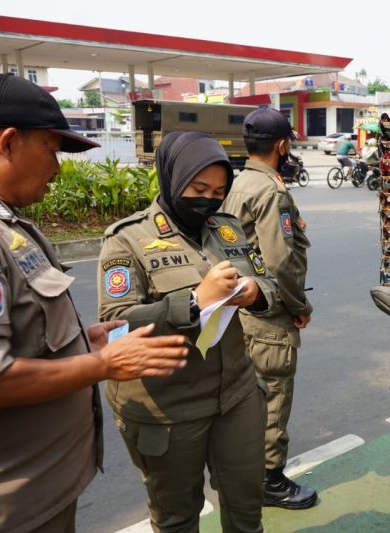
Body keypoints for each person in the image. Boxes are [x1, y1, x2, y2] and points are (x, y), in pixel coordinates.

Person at [0, 73, 189, 532]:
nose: (57, 168)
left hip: (33, 490)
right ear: (9, 142)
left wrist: (77, 344)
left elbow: (18, 334)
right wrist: (104, 365)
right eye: (52, 150)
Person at [98, 131, 276, 532]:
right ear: (173, 178)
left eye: (217, 190)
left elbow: (268, 281)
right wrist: (194, 300)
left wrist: (253, 292)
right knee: (178, 518)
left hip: (236, 394)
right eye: (198, 188)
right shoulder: (128, 239)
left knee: (247, 508)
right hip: (167, 407)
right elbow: (115, 323)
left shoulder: (227, 228)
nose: (208, 200)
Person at [222, 108, 317, 509]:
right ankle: (269, 481)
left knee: (245, 397)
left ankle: (244, 475)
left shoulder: (236, 182)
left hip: (240, 305)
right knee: (273, 395)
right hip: (269, 309)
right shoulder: (272, 192)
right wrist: (300, 305)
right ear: (282, 145)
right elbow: (280, 260)